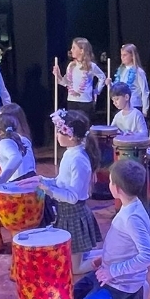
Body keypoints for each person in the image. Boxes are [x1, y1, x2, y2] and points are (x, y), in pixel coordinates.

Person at [71, 160, 150, 299]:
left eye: (110, 181)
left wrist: (112, 271)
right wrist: (104, 258)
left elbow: (149, 256)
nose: (109, 184)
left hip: (120, 283)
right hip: (107, 273)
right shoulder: (129, 206)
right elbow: (124, 246)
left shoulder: (132, 218)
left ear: (117, 188)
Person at [39, 110, 103, 273]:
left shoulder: (78, 159)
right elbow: (61, 182)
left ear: (72, 136)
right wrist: (43, 180)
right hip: (66, 213)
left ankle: (110, 259)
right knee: (68, 261)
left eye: (60, 132)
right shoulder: (70, 153)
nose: (56, 135)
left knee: (75, 268)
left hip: (74, 214)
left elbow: (73, 197)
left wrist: (49, 190)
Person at [0, 112, 37, 198]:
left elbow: (16, 158)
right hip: (33, 183)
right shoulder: (24, 139)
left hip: (18, 188)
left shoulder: (4, 142)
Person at [54, 37, 106, 119]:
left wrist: (96, 91)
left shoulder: (91, 66)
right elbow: (66, 83)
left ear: (81, 51)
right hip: (72, 101)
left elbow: (102, 77)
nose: (71, 50)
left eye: (74, 48)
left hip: (85, 101)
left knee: (85, 123)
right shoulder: (71, 65)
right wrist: (58, 75)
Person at [114, 43, 150, 116]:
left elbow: (144, 91)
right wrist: (110, 84)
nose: (122, 57)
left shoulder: (138, 71)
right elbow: (118, 88)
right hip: (122, 105)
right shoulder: (121, 71)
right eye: (121, 55)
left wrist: (145, 110)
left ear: (132, 56)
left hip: (134, 105)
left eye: (125, 55)